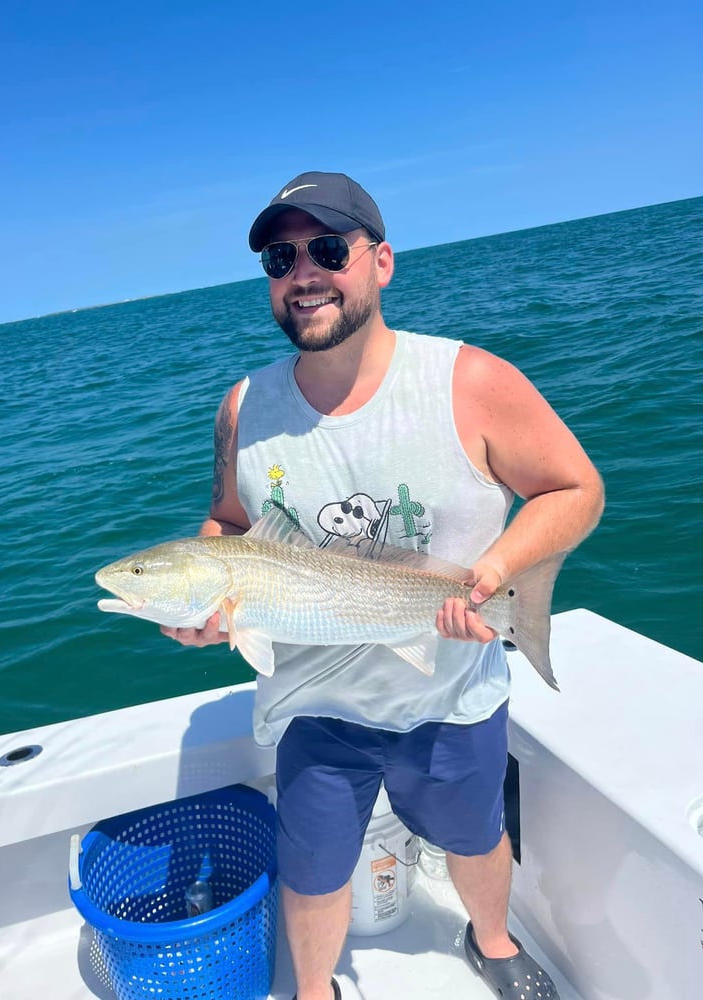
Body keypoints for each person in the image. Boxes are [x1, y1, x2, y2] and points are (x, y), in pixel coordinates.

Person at [162, 171, 604, 1000]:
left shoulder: (468, 383)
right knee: (313, 861)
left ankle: (496, 943)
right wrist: (205, 591)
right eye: (281, 258)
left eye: (328, 249)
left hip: (448, 685)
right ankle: (313, 991)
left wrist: (496, 575)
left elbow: (575, 488)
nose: (303, 273)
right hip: (316, 704)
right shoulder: (241, 406)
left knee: (475, 836)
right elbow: (226, 519)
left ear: (381, 262)